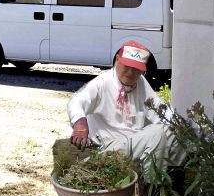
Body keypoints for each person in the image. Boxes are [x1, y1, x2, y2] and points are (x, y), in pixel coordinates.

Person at [67, 41, 184, 173]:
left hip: (134, 141)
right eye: (126, 66)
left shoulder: (140, 82)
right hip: (110, 145)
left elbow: (160, 108)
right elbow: (77, 101)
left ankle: (174, 176)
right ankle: (153, 186)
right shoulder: (103, 82)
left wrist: (178, 124)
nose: (130, 72)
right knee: (157, 134)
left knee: (177, 130)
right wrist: (80, 123)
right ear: (117, 60)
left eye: (136, 69)